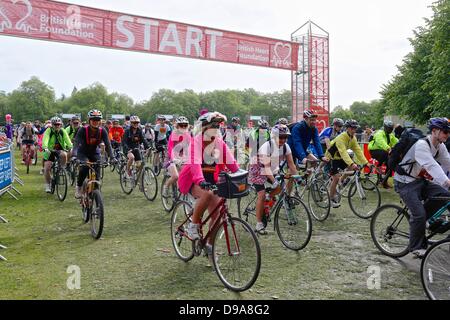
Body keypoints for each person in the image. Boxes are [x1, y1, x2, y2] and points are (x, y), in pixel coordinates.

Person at [177, 112, 238, 253]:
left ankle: (209, 246)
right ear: (205, 127)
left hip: (212, 179)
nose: (217, 128)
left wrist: (241, 175)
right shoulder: (196, 141)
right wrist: (200, 180)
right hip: (193, 178)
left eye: (218, 125)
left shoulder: (219, 142)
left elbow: (232, 163)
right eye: (214, 125)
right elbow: (195, 163)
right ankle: (193, 225)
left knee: (218, 216)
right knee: (207, 194)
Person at [393, 117, 450, 258]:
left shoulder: (440, 146)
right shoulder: (421, 145)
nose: (447, 134)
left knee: (445, 195)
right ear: (434, 131)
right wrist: (447, 182)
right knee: (418, 214)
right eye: (445, 131)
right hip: (405, 182)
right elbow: (432, 165)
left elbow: (448, 162)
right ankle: (415, 247)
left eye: (449, 132)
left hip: (419, 181)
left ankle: (424, 221)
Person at [248, 124, 297, 234]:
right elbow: (266, 168)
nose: (283, 140)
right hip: (258, 169)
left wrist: (298, 177)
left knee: (281, 187)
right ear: (274, 136)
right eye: (281, 137)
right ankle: (259, 224)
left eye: (286, 137)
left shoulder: (286, 147)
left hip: (272, 168)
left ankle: (268, 197)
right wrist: (274, 181)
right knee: (261, 193)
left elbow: (291, 164)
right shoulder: (266, 146)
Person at [325, 119, 369, 208]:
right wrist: (352, 163)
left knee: (351, 168)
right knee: (336, 178)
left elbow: (358, 150)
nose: (354, 130)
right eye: (352, 128)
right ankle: (331, 198)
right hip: (332, 157)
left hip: (340, 157)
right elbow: (343, 152)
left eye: (355, 128)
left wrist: (366, 163)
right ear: (347, 128)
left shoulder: (353, 138)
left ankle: (341, 180)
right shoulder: (341, 137)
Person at [72, 110, 114, 198]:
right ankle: (79, 187)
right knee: (85, 166)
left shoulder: (103, 131)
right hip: (82, 153)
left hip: (94, 152)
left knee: (98, 167)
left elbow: (108, 144)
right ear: (89, 120)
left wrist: (112, 157)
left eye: (98, 120)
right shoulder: (83, 130)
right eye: (93, 120)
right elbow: (76, 143)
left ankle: (96, 193)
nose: (96, 122)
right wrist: (74, 156)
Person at [42, 117, 73, 193]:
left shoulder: (63, 131)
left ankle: (62, 170)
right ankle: (48, 185)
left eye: (58, 124)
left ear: (61, 125)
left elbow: (67, 140)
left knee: (64, 154)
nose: (57, 126)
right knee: (47, 168)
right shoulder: (48, 131)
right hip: (50, 150)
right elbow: (45, 139)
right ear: (52, 125)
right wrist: (45, 147)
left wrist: (70, 147)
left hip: (59, 149)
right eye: (55, 124)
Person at [162, 116, 191, 197]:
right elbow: (170, 148)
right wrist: (174, 158)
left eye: (185, 125)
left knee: (188, 174)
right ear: (177, 126)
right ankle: (166, 187)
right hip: (170, 158)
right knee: (175, 176)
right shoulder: (174, 134)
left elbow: (192, 147)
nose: (183, 127)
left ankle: (181, 188)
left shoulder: (188, 135)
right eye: (181, 125)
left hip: (182, 158)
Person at [368, 120, 398, 188]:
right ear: (385, 127)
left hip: (383, 152)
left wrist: (402, 145)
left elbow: (396, 142)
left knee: (391, 164)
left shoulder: (390, 135)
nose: (390, 130)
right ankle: (378, 166)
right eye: (389, 128)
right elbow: (380, 142)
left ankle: (384, 181)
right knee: (384, 152)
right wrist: (388, 148)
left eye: (391, 129)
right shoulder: (379, 133)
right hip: (374, 150)